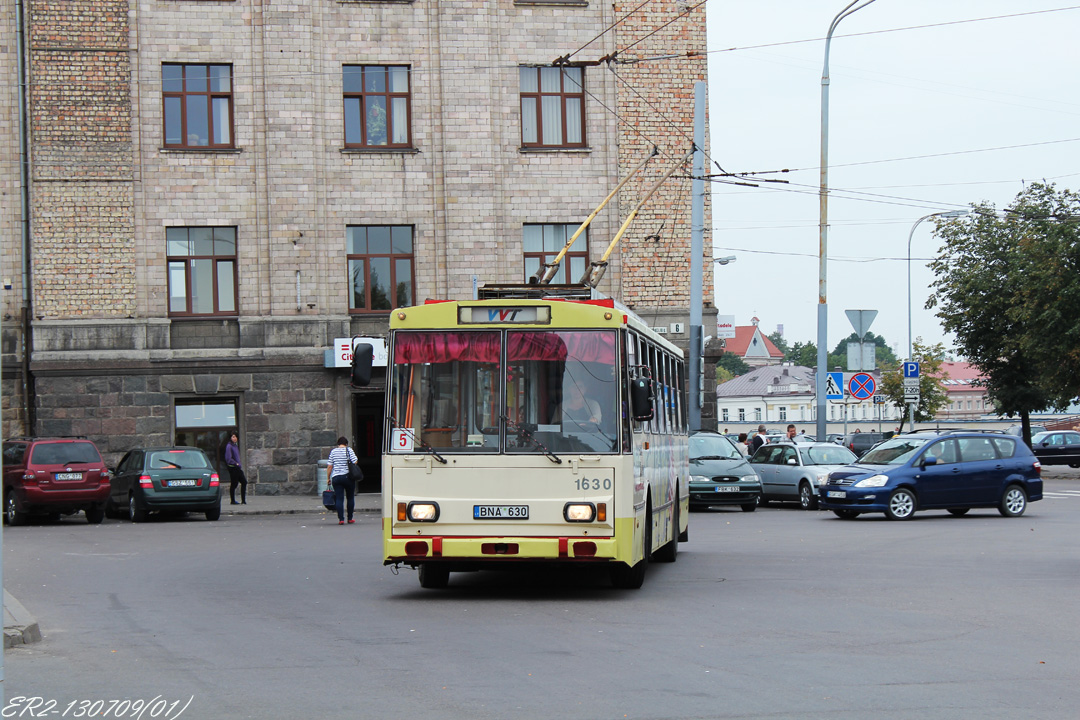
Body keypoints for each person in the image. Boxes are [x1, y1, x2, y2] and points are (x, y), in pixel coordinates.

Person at [327, 437, 359, 525]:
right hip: (348, 477)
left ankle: (341, 519)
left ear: (338, 444)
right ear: (346, 444)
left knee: (339, 498)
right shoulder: (349, 450)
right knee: (350, 497)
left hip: (336, 477)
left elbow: (330, 466)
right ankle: (350, 518)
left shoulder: (333, 452)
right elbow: (355, 461)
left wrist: (328, 478)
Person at [225, 431, 247, 505]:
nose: (235, 438)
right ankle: (233, 500)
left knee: (244, 482)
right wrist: (235, 463)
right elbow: (228, 458)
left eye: (236, 437)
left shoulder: (235, 446)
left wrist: (238, 464)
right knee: (234, 484)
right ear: (230, 438)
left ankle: (243, 500)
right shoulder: (229, 446)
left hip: (237, 467)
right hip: (233, 467)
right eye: (233, 437)